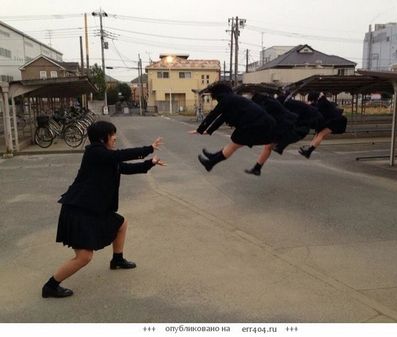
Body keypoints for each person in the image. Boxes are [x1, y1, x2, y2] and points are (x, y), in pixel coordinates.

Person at [41, 121, 165, 298]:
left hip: (93, 209)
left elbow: (125, 167)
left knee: (121, 223)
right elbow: (120, 157)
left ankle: (117, 259)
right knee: (84, 257)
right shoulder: (95, 153)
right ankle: (50, 286)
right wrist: (149, 148)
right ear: (102, 138)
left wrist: (150, 163)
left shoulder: (106, 156)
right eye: (112, 134)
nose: (115, 137)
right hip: (79, 210)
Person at [189, 82, 276, 172]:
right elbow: (223, 117)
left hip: (260, 125)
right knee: (235, 143)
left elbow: (213, 114)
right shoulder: (232, 99)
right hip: (261, 123)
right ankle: (213, 158)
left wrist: (200, 130)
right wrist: (209, 130)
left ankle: (211, 162)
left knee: (235, 142)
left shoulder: (226, 99)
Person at [242, 92, 298, 176]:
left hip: (287, 124)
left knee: (269, 146)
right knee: (268, 146)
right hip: (283, 124)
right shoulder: (267, 101)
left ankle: (258, 168)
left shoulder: (266, 104)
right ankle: (257, 168)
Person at [298, 92, 347, 159]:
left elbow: (315, 108)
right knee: (318, 134)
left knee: (321, 134)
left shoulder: (322, 102)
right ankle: (308, 150)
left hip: (337, 121)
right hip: (331, 120)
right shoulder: (320, 102)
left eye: (312, 100)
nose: (311, 101)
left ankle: (309, 151)